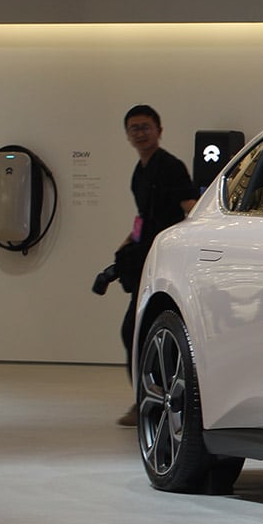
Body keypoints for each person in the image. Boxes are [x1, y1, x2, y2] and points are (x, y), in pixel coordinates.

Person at [116, 104, 198, 426]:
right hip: (146, 257)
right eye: (134, 128)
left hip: (165, 259)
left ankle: (151, 401)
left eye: (145, 127)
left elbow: (189, 205)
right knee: (135, 330)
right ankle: (148, 399)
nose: (140, 133)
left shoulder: (170, 167)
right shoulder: (140, 171)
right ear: (127, 134)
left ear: (159, 131)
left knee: (140, 329)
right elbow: (144, 216)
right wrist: (128, 241)